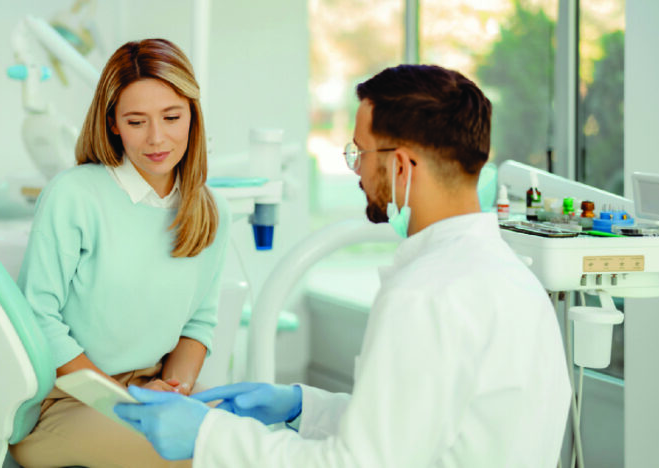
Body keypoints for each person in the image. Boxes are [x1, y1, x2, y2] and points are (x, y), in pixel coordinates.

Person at [114, 64, 571, 467]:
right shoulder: (512, 279)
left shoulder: (425, 296)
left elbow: (358, 463)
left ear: (402, 167)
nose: (357, 172)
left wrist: (208, 435)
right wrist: (300, 406)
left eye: (361, 154)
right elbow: (417, 428)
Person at [9, 38, 230, 468]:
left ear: (192, 116)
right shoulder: (75, 195)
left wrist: (172, 393)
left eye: (171, 117)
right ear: (112, 123)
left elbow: (199, 323)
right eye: (136, 121)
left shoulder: (211, 210)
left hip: (149, 392)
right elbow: (37, 318)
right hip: (63, 401)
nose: (157, 138)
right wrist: (121, 398)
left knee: (256, 441)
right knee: (204, 456)